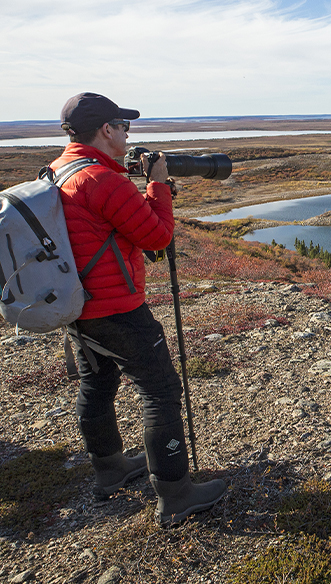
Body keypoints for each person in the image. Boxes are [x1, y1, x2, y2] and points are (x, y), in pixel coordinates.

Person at [51, 92, 226, 526]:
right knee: (161, 391)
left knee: (97, 383)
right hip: (117, 309)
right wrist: (158, 185)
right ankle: (176, 492)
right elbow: (157, 238)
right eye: (123, 126)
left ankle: (109, 469)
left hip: (79, 306)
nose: (128, 133)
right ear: (106, 130)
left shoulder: (60, 170)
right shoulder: (101, 181)